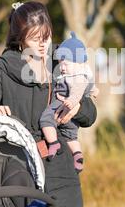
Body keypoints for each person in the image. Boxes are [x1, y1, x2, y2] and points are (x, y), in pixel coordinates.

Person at [0, 1, 97, 207]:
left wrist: (77, 108)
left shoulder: (61, 62)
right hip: (18, 167)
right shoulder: (3, 67)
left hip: (58, 168)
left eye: (46, 36)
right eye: (35, 39)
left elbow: (91, 115)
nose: (44, 44)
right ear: (20, 37)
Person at [39, 31, 98, 174]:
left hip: (64, 108)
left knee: (49, 121)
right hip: (45, 146)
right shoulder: (69, 70)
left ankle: (55, 144)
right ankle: (77, 155)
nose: (62, 67)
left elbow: (88, 110)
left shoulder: (72, 73)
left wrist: (76, 106)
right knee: (71, 137)